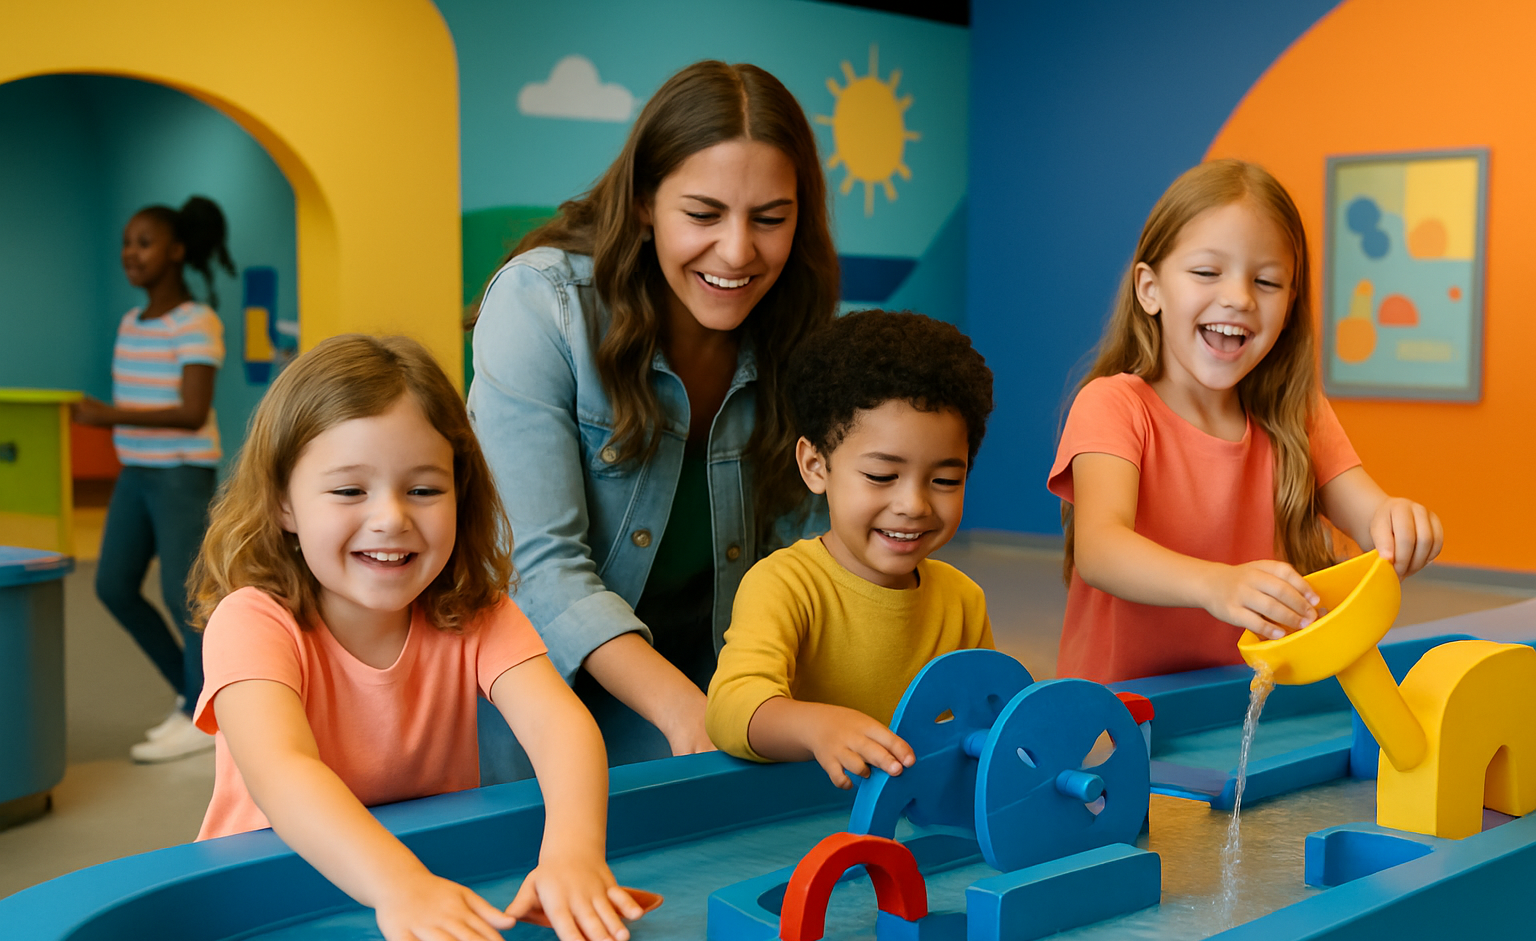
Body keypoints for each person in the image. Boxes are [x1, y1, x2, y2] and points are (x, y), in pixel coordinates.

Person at [185, 335, 643, 941]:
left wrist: (573, 853)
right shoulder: (253, 621)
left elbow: (560, 727)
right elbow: (282, 771)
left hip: (424, 893)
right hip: (268, 909)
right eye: (349, 492)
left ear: (460, 493)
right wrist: (398, 883)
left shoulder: (477, 613)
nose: (391, 518)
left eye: (423, 490)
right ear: (284, 503)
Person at [467, 60, 839, 780]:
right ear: (643, 202)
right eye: (703, 214)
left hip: (724, 694)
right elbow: (538, 569)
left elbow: (810, 556)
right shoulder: (543, 305)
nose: (737, 251)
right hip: (550, 702)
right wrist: (687, 711)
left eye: (770, 219)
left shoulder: (800, 339)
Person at [1050, 159, 1444, 685]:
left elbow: (1370, 514)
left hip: (1245, 704)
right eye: (1207, 272)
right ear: (1150, 289)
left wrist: (1398, 520)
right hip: (1119, 714)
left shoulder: (1296, 412)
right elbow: (1100, 548)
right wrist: (1217, 585)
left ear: (1289, 305)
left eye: (1266, 281)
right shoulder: (1113, 405)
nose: (1238, 298)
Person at [705, 311, 996, 788]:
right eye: (882, 476)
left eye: (946, 480)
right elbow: (731, 706)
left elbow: (986, 720)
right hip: (796, 824)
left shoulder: (963, 600)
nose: (913, 504)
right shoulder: (784, 585)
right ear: (816, 466)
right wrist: (816, 727)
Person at [72, 196, 233, 763]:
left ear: (177, 251)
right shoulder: (130, 323)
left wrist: (106, 415)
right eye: (126, 243)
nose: (130, 253)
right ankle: (193, 695)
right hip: (136, 471)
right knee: (112, 585)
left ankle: (208, 717)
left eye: (143, 242)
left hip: (180, 474)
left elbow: (192, 411)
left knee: (182, 593)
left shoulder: (197, 322)